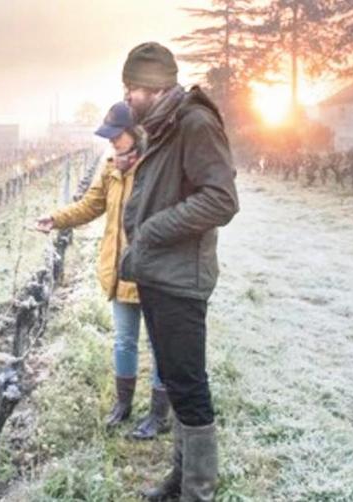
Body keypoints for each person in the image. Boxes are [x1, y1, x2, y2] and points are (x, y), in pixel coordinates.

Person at [118, 42, 239, 501]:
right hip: (158, 273)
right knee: (173, 375)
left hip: (180, 276)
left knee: (188, 383)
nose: (127, 96)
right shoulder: (164, 125)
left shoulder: (194, 123)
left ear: (152, 86)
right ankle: (180, 480)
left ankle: (198, 491)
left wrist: (152, 229)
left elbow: (222, 199)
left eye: (131, 87)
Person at [35, 102, 170, 440]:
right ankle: (123, 406)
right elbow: (91, 205)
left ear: (134, 133)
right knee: (124, 341)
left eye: (116, 136)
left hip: (153, 270)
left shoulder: (155, 167)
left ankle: (158, 414)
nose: (111, 142)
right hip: (120, 267)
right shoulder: (110, 167)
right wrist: (57, 219)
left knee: (159, 345)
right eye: (108, 136)